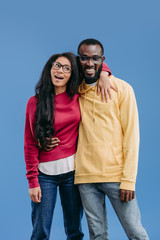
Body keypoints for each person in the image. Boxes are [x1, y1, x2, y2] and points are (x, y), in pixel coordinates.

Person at [24, 52, 112, 240]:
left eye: (67, 68)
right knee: (40, 231)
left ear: (72, 74)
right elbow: (30, 143)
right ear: (49, 69)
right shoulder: (35, 102)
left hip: (73, 173)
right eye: (57, 65)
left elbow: (92, 66)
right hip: (44, 175)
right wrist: (32, 181)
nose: (60, 71)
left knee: (74, 231)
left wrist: (104, 73)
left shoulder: (77, 95)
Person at [74, 38, 150, 240]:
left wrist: (129, 180)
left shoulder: (122, 89)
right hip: (85, 177)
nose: (89, 63)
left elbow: (132, 136)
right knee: (97, 235)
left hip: (116, 176)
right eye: (84, 58)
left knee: (135, 232)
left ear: (103, 60)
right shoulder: (75, 91)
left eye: (95, 59)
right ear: (78, 60)